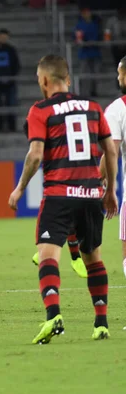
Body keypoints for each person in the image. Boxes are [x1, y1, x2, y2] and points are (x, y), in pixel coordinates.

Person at [8, 54, 118, 344]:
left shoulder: (41, 110)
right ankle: (101, 324)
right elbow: (111, 150)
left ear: (44, 80)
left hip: (59, 193)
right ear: (66, 79)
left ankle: (54, 315)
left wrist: (20, 188)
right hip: (92, 192)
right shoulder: (93, 107)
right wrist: (110, 191)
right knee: (93, 257)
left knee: (47, 255)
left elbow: (35, 155)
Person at [102, 56, 126, 280]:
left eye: (120, 73)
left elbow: (112, 152)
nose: (118, 78)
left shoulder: (117, 109)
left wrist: (102, 184)